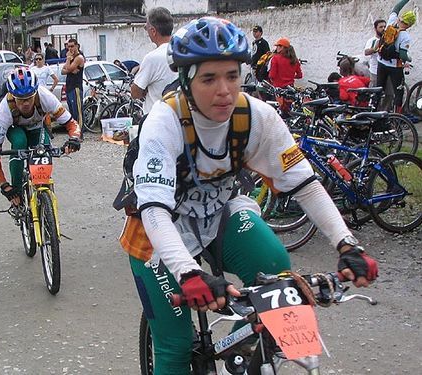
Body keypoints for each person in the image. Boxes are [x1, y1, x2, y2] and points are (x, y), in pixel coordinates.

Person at [119, 17, 378, 375]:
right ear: (186, 80)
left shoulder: (258, 117)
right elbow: (155, 211)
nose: (224, 89)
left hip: (219, 215)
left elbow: (304, 184)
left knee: (275, 266)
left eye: (232, 75)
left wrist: (347, 245)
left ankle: (235, 358)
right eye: (209, 78)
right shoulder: (164, 122)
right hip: (158, 234)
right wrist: (188, 272)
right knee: (175, 348)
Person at [0, 67, 81, 205]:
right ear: (13, 96)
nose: (25, 103)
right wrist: (5, 185)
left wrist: (74, 139)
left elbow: (71, 124)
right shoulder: (5, 109)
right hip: (15, 128)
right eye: (20, 100)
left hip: (37, 128)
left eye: (29, 98)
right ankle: (18, 192)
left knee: (44, 149)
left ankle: (43, 191)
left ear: (35, 93)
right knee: (20, 142)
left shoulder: (46, 97)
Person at [131, 7, 178, 114]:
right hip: (179, 116)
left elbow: (135, 93)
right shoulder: (182, 51)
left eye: (146, 27)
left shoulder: (152, 58)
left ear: (153, 31)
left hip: (156, 118)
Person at [376, 0, 416, 113]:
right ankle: (397, 117)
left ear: (401, 18)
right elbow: (403, 55)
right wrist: (409, 59)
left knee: (378, 89)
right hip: (394, 66)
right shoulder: (405, 36)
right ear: (409, 25)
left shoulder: (391, 21)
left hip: (381, 62)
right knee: (399, 92)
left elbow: (396, 7)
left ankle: (374, 112)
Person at [61, 38, 85, 133]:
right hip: (69, 87)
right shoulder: (71, 58)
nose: (70, 49)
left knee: (77, 112)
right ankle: (74, 131)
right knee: (72, 111)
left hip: (76, 87)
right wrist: (69, 69)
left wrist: (68, 62)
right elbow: (63, 71)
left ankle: (80, 133)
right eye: (68, 47)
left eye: (72, 46)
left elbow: (69, 68)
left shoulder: (79, 58)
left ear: (77, 46)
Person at [364, 19, 387, 87]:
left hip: (388, 71)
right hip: (375, 71)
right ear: (375, 28)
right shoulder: (372, 40)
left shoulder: (389, 39)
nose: (383, 29)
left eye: (384, 27)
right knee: (375, 93)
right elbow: (366, 52)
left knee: (389, 94)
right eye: (381, 27)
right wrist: (375, 48)